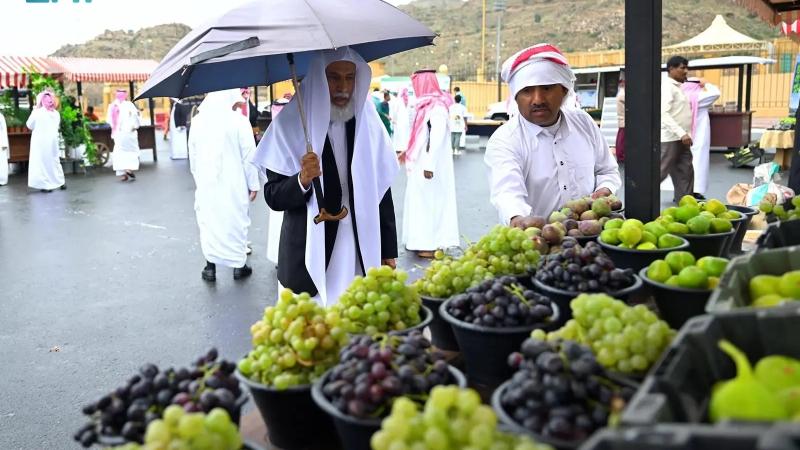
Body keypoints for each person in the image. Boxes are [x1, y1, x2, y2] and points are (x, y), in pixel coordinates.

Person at [251, 47, 399, 306]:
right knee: (314, 332)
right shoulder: (290, 125)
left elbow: (382, 191)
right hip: (309, 251)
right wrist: (302, 180)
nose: (343, 87)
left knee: (355, 323)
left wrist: (387, 250)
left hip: (359, 244)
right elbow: (273, 197)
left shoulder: (369, 123)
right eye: (333, 77)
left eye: (349, 78)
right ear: (319, 78)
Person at [484, 44, 621, 225]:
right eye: (527, 91)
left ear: (564, 90)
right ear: (516, 97)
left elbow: (606, 170)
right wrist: (519, 219)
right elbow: (507, 193)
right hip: (537, 243)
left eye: (547, 88)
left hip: (589, 238)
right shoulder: (505, 140)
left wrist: (604, 189)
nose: (538, 100)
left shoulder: (584, 123)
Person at [189, 89, 259, 282]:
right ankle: (239, 265)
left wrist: (199, 179)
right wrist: (253, 184)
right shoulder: (238, 121)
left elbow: (192, 156)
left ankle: (210, 267)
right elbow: (249, 156)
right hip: (233, 184)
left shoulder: (197, 121)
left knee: (209, 221)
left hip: (206, 183)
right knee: (234, 220)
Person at [400, 70, 459, 258]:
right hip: (422, 164)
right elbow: (420, 137)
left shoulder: (437, 108)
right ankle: (419, 241)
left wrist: (429, 165)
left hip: (429, 167)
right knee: (420, 203)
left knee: (430, 204)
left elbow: (437, 137)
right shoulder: (424, 106)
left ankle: (431, 244)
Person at [661, 78, 721, 198]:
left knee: (679, 166)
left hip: (679, 135)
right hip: (698, 136)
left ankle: (680, 194)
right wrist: (706, 83)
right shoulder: (700, 97)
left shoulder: (680, 96)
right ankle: (693, 191)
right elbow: (716, 92)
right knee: (695, 163)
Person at [660, 56, 694, 203]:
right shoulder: (667, 87)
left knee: (685, 172)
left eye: (687, 68)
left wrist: (684, 135)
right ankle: (641, 202)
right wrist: (681, 133)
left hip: (681, 138)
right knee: (660, 172)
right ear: (671, 69)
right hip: (670, 138)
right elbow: (663, 113)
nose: (686, 71)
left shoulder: (677, 87)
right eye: (682, 68)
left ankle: (686, 204)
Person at [27, 90, 66, 192]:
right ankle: (60, 182)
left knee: (42, 163)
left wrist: (34, 110)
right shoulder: (56, 113)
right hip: (53, 141)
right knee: (54, 161)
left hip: (40, 142)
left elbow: (29, 125)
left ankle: (46, 185)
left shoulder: (37, 112)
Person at [107, 89, 141, 182]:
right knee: (131, 151)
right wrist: (135, 126)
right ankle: (128, 169)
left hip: (118, 133)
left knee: (119, 152)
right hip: (129, 132)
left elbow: (109, 120)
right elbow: (136, 116)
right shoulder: (129, 105)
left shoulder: (112, 106)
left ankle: (122, 173)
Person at [615, 80, 625, 163]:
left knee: (621, 139)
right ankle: (621, 156)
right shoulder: (622, 94)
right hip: (623, 119)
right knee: (621, 140)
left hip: (622, 119)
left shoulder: (620, 93)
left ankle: (620, 155)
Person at [0, 112, 8, 186]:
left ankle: (2, 179)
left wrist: (4, 143)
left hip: (1, 142)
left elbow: (3, 130)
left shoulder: (0, 116)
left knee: (1, 161)